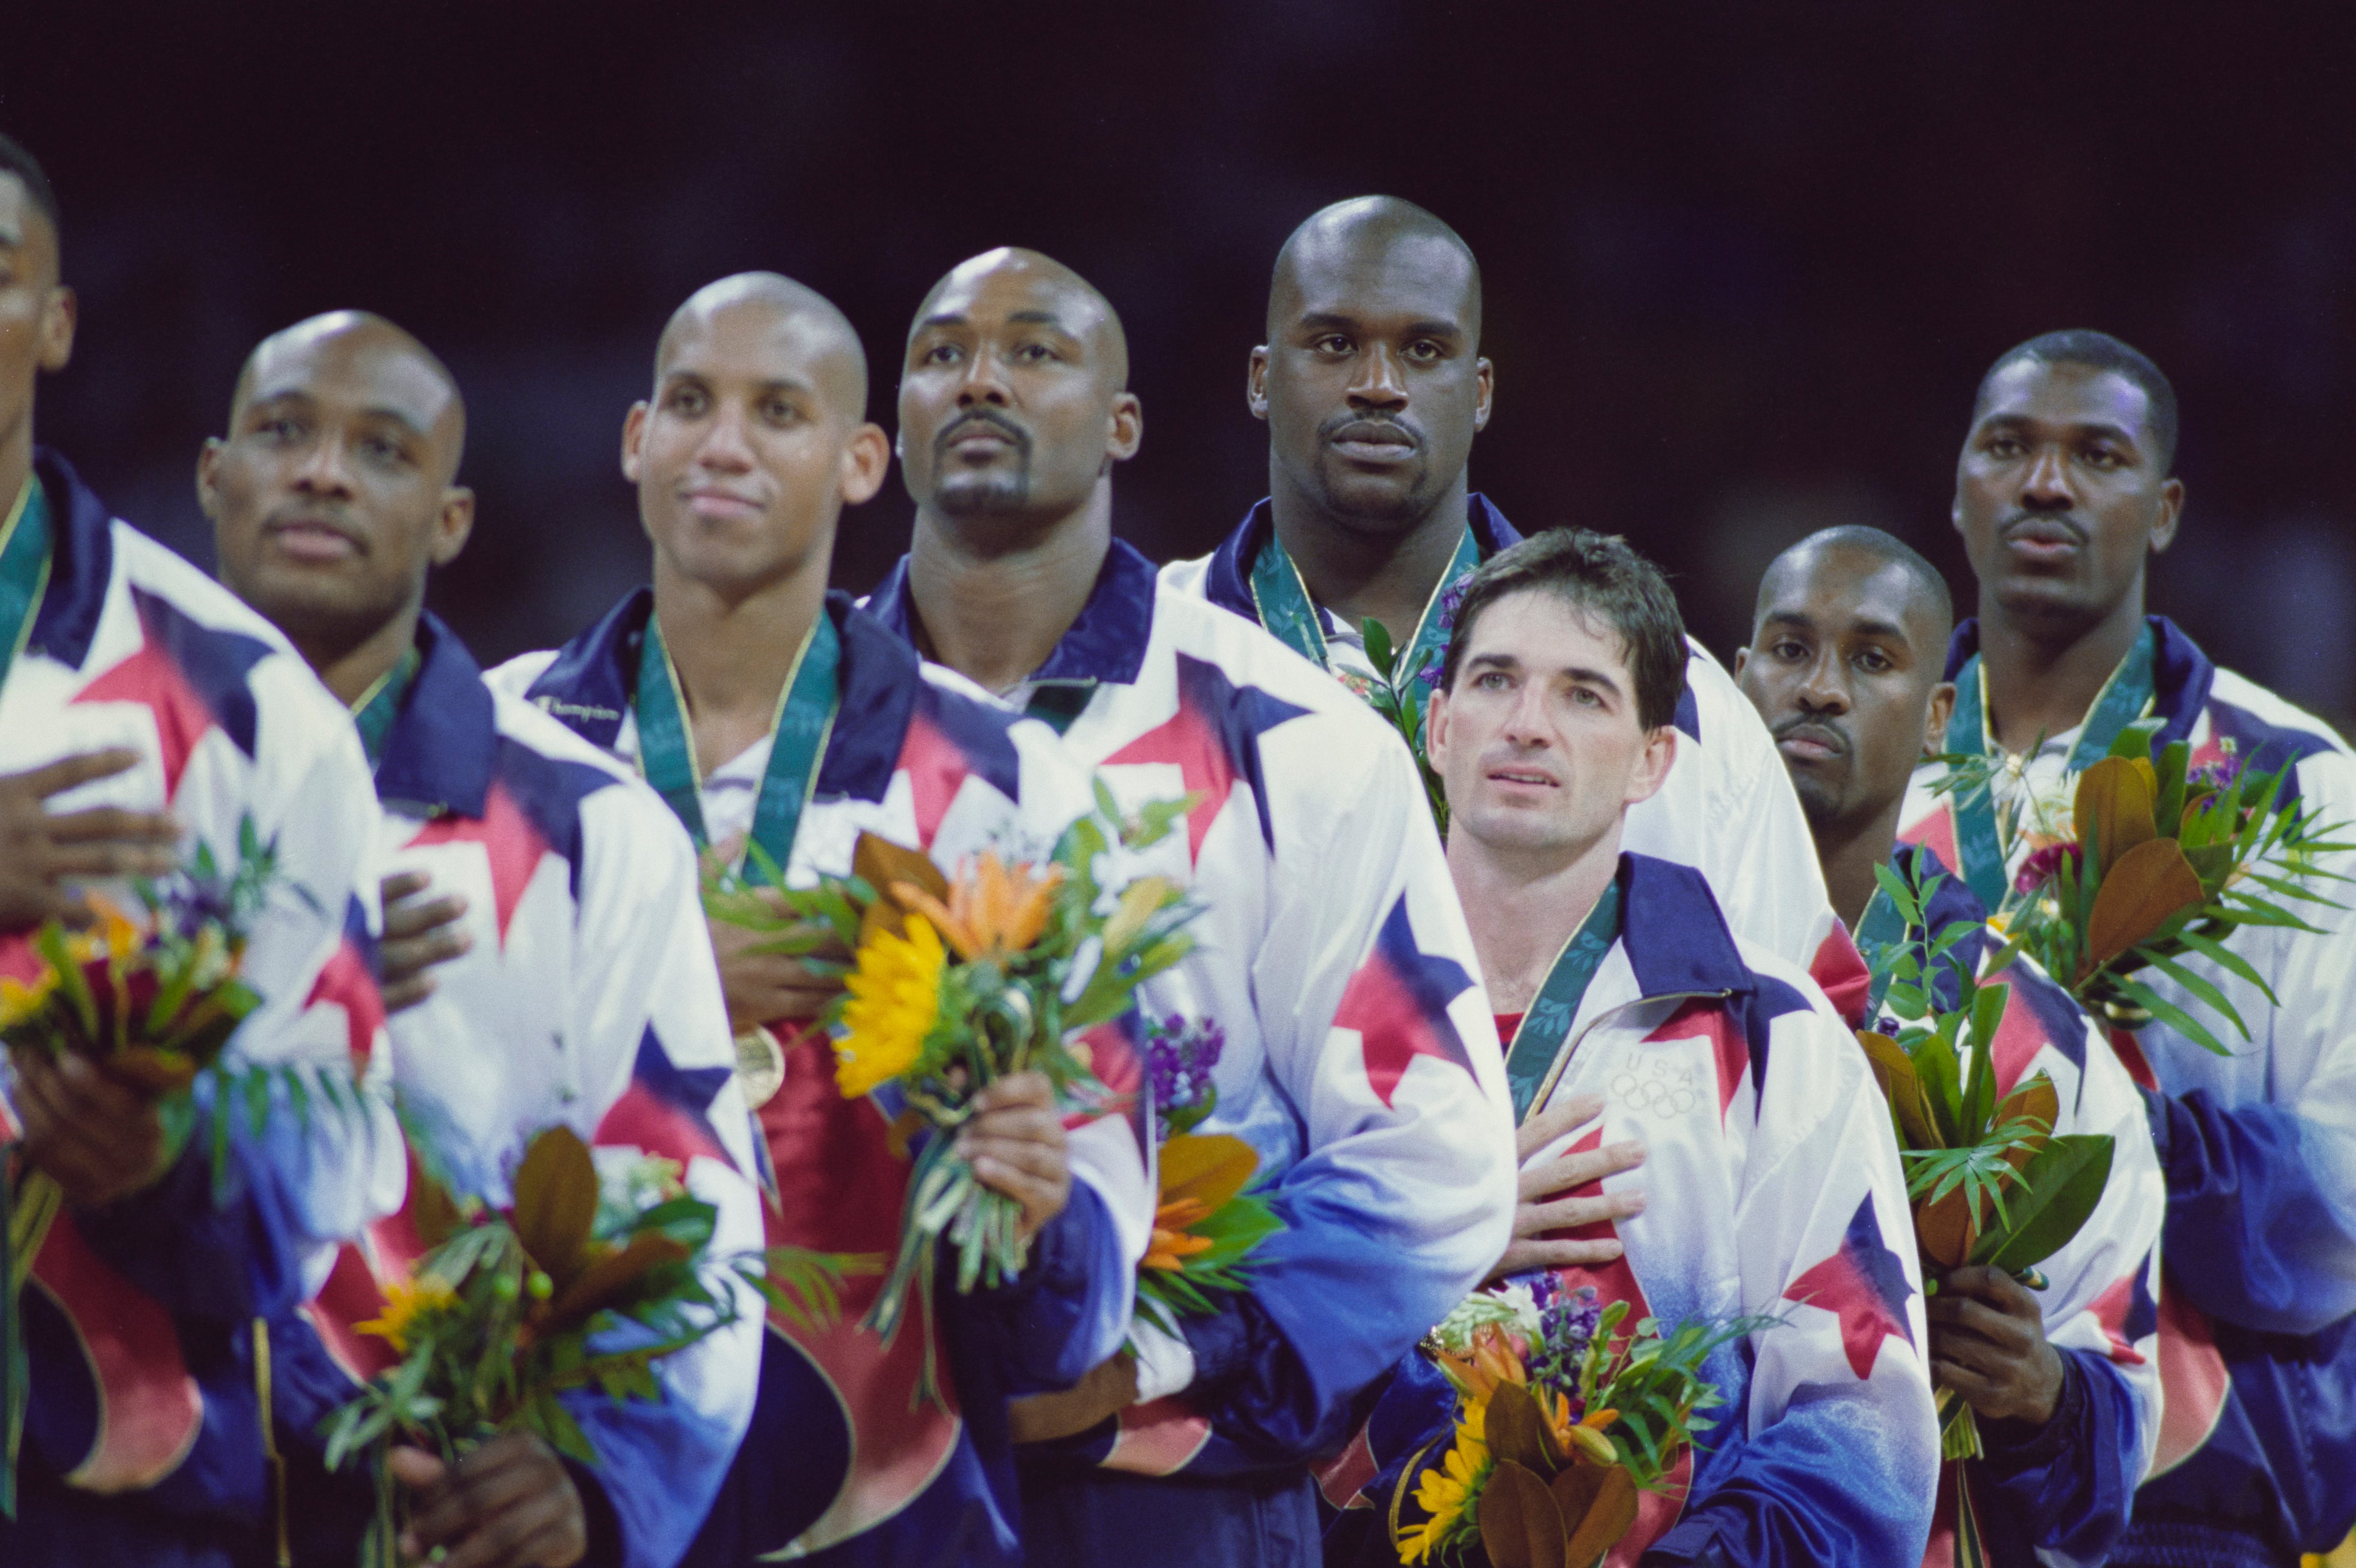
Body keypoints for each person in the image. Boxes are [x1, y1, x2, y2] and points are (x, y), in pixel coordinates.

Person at [860, 244, 1516, 1568]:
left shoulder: (1292, 741)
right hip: (839, 1463)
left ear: (1124, 422)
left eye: (1036, 350)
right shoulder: (791, 738)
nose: (983, 376)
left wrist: (1159, 1356)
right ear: (885, 435)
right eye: (942, 353)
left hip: (1160, 1496)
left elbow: (1435, 1162)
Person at [484, 272, 1150, 1568]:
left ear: (860, 463)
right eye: (691, 403)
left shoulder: (1006, 789)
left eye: (777, 411)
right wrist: (675, 991)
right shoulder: (507, 757)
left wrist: (1028, 1206)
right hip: (559, 1499)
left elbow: (1078, 1319)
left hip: (898, 1513)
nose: (723, 443)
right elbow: (407, 1145)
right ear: (636, 442)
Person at [202, 310, 767, 1568]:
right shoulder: (93, 776)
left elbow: (691, 1201)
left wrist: (598, 1478)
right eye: (283, 433)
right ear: (213, 477)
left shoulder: (584, 832)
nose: (324, 471)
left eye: (384, 451)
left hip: (438, 1520)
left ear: (451, 522)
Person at [1338, 528, 1937, 1567]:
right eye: (1494, 680)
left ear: (1653, 758)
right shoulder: (1320, 999)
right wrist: (1431, 1254)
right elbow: (1202, 1340)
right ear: (1436, 726)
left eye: (1584, 694)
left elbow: (1857, 1431)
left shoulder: (1768, 1032)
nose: (1528, 725)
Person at [0, 131, 401, 1566]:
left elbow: (331, 1151)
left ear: (55, 323)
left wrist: (163, 1162)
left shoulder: (244, 702)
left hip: (101, 1503)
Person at [1899, 331, 2356, 1568]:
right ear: (1957, 491)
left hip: (2191, 1479)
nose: (2047, 482)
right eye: (2010, 447)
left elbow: (2341, 1195)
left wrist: (2080, 1149)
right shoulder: (1860, 784)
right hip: (1896, 1466)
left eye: (2095, 455)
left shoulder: (2288, 785)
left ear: (2162, 511)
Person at [1161, 196, 1851, 996]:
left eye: (1424, 350)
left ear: (1480, 391)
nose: (1379, 386)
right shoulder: (1156, 659)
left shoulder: (1670, 695)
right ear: (1260, 378)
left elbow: (1793, 1026)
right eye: (1335, 344)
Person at [1737, 524, 2166, 1566]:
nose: (1821, 689)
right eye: (1788, 649)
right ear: (1739, 672)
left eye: (1872, 659)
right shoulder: (1636, 966)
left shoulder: (2033, 1039)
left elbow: (2115, 1368)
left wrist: (2041, 1391)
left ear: (1938, 718)